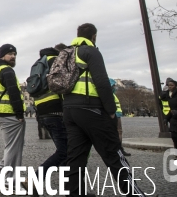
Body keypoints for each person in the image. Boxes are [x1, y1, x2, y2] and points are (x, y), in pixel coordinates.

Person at [63, 23, 145, 196]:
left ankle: (74, 193)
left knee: (75, 157)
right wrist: (110, 110)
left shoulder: (67, 54)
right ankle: (135, 193)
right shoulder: (91, 51)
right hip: (91, 107)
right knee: (114, 153)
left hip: (70, 109)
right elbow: (102, 82)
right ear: (93, 36)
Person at [0, 44, 26, 186]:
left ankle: (0, 171)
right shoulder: (7, 70)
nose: (13, 56)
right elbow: (14, 93)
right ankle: (9, 181)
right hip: (9, 114)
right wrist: (19, 114)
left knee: (12, 146)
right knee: (13, 149)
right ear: (2, 56)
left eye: (15, 54)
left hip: (1, 113)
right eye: (10, 53)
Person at [33, 45, 68, 184]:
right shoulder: (55, 61)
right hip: (56, 110)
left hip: (43, 112)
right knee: (65, 151)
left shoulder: (37, 64)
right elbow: (64, 84)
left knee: (65, 152)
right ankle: (33, 179)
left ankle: (72, 189)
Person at [110, 78, 131, 156]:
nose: (115, 87)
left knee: (117, 132)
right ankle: (119, 149)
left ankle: (118, 149)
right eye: (113, 85)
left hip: (115, 114)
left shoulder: (112, 94)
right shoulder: (111, 94)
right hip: (115, 115)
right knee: (118, 132)